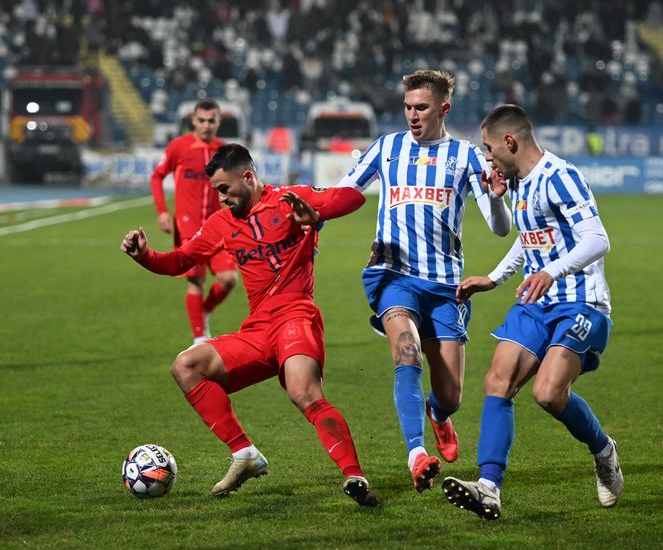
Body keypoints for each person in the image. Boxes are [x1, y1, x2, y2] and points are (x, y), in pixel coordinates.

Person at [122, 143, 377, 506]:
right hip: (257, 330)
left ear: (248, 176)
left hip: (295, 317)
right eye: (216, 192)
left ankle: (354, 475)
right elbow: (180, 261)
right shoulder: (221, 223)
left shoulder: (290, 199)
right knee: (186, 366)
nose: (221, 198)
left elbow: (352, 199)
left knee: (304, 394)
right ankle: (244, 453)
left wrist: (315, 215)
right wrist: (144, 256)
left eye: (225, 189)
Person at [323, 69, 512, 492]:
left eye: (421, 107)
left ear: (443, 108)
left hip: (446, 286)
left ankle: (438, 415)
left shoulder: (465, 157)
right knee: (407, 356)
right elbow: (343, 191)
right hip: (394, 277)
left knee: (451, 396)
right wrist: (311, 221)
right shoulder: (387, 147)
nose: (412, 114)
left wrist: (498, 200)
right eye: (407, 106)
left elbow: (500, 228)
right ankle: (416, 453)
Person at [442, 104, 623, 520]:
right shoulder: (520, 182)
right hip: (537, 301)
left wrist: (552, 270)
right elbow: (526, 238)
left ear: (510, 142)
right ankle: (489, 486)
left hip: (580, 300)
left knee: (547, 393)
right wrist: (494, 278)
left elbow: (597, 239)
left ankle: (603, 450)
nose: (487, 158)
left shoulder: (561, 176)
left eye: (489, 149)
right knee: (497, 379)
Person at [150, 98, 239, 344]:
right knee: (195, 280)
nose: (206, 125)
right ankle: (200, 338)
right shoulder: (178, 146)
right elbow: (157, 177)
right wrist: (163, 211)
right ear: (193, 121)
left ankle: (204, 312)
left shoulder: (224, 152)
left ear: (219, 122)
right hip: (188, 228)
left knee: (229, 279)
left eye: (212, 120)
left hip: (218, 227)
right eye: (202, 120)